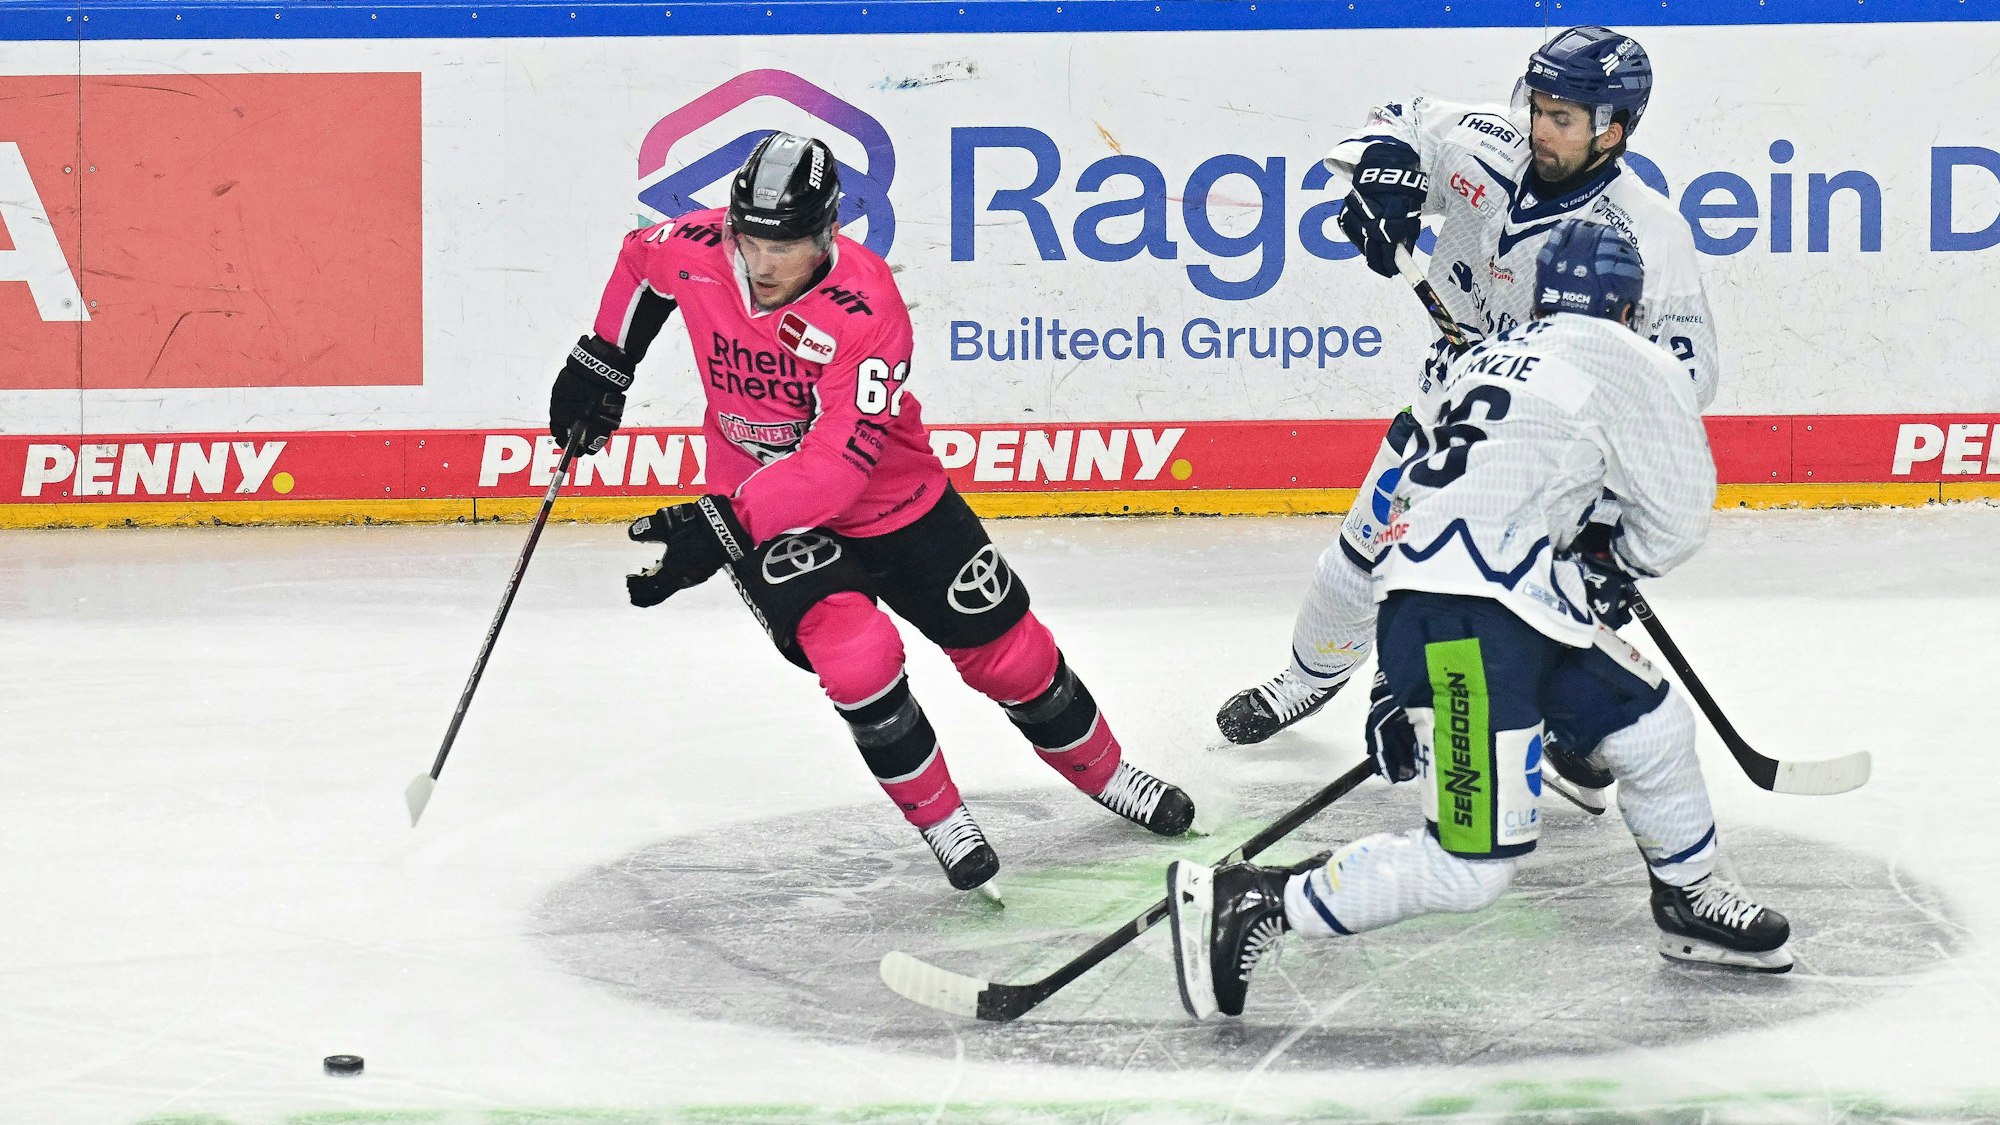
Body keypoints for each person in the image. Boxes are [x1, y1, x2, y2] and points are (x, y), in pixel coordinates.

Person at [1169, 219, 1792, 1021]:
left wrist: (1397, 670)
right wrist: (1609, 556)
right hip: (1476, 620)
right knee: (1469, 867)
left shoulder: (1479, 359)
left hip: (1488, 605)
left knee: (1650, 726)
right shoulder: (1634, 359)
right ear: (1631, 311)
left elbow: (1412, 510)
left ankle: (1690, 899)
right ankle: (1259, 901)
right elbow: (1676, 519)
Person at [547, 131, 1195, 892]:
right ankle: (944, 820)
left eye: (783, 245)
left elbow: (834, 467)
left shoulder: (868, 302)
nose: (760, 263)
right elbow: (638, 261)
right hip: (762, 503)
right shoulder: (695, 246)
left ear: (826, 234)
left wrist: (724, 525)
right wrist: (602, 358)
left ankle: (1108, 772)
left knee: (1011, 656)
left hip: (887, 492)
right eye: (749, 238)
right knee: (857, 660)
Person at [1217, 26, 1720, 805]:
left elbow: (1686, 374)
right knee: (1351, 568)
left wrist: (1611, 482)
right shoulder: (1488, 142)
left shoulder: (1648, 231)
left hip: (1544, 456)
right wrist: (1383, 182)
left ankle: (1566, 732)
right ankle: (1307, 677)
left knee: (1509, 594)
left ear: (1613, 128)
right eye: (1540, 108)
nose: (1540, 130)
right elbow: (1400, 121)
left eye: (1563, 119)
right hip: (1445, 411)